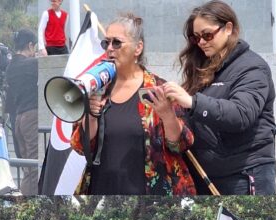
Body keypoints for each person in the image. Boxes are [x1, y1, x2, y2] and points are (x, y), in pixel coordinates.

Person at [71, 13, 196, 196]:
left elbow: (180, 145)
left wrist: (168, 115)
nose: (110, 49)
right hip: (101, 192)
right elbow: (81, 147)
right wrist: (90, 115)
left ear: (138, 48)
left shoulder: (157, 88)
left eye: (117, 43)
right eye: (106, 43)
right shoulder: (97, 87)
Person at [162, 0, 275, 195]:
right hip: (204, 174)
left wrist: (192, 101)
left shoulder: (253, 67)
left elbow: (241, 114)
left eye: (207, 35)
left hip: (243, 173)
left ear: (228, 28)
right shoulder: (202, 68)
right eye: (196, 37)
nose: (201, 42)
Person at [5, 29, 40, 195]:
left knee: (28, 169)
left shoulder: (10, 67)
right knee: (35, 169)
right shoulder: (33, 64)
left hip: (18, 119)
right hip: (33, 116)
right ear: (30, 45)